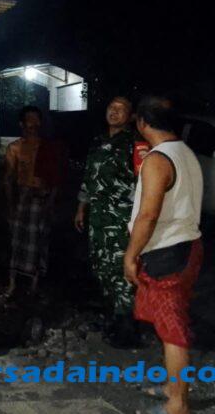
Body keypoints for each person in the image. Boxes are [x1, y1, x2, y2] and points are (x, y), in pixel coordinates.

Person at [124, 96, 203, 414]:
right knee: (168, 323)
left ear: (142, 122)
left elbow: (148, 215)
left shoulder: (158, 160)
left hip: (168, 252)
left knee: (173, 330)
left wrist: (131, 255)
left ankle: (177, 404)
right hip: (187, 245)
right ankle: (172, 387)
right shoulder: (185, 152)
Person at [75, 96, 139, 347]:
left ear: (131, 116)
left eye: (121, 109)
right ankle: (112, 316)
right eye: (112, 107)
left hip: (121, 219)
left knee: (121, 269)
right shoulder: (98, 141)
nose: (114, 112)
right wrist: (81, 208)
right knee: (101, 265)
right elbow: (89, 178)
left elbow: (144, 182)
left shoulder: (134, 144)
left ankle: (128, 327)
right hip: (98, 218)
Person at [5, 105, 64, 294]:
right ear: (21, 123)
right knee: (17, 241)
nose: (34, 123)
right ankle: (13, 282)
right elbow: (9, 178)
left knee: (38, 241)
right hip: (22, 199)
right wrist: (10, 205)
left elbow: (55, 179)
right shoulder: (14, 148)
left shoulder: (47, 147)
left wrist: (50, 202)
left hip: (41, 198)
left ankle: (34, 283)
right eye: (29, 119)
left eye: (37, 119)